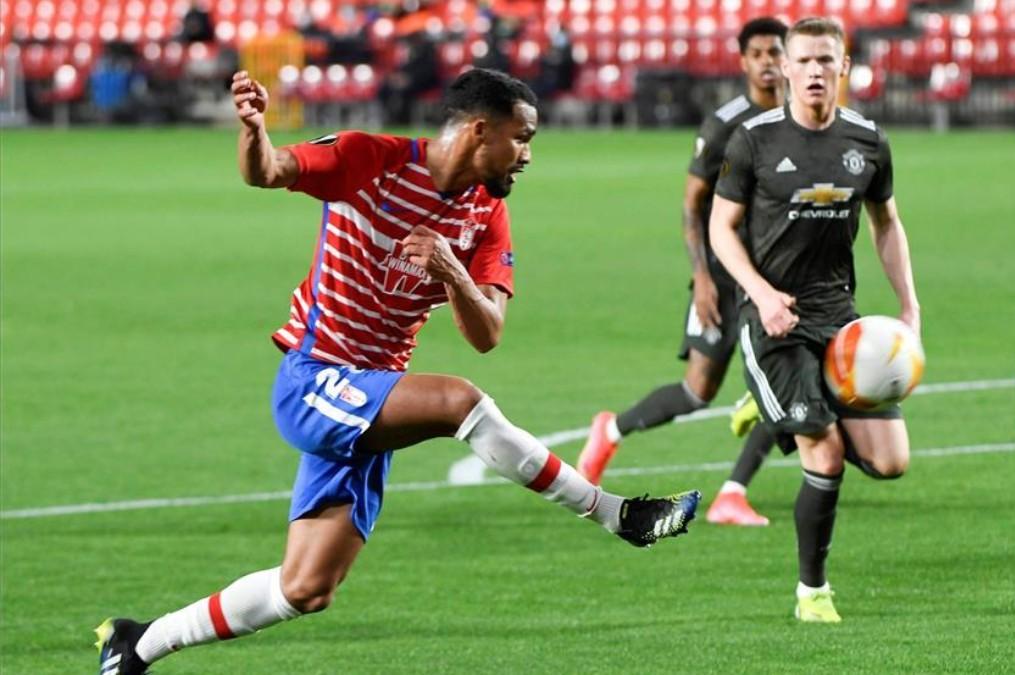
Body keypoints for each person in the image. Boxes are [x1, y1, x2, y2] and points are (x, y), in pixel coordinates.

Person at [94, 67, 700, 674]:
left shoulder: (486, 213)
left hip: (372, 398)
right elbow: (267, 171)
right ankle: (616, 514)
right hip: (316, 379)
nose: (527, 156)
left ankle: (138, 643)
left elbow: (487, 334)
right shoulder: (368, 159)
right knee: (459, 403)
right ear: (479, 130)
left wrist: (452, 273)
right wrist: (253, 129)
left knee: (306, 588)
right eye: (522, 138)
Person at [708, 17, 921, 623]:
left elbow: (887, 224)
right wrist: (761, 293)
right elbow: (721, 228)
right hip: (772, 320)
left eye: (826, 61)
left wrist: (909, 306)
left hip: (840, 318)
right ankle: (812, 594)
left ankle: (776, 410)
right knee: (823, 452)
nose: (813, 72)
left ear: (844, 67)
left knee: (889, 462)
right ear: (786, 70)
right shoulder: (753, 141)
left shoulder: (869, 142)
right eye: (802, 62)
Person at [576, 17, 788, 527]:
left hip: (776, 274)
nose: (767, 61)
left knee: (785, 380)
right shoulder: (724, 124)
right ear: (742, 61)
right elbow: (693, 205)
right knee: (697, 390)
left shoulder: (796, 122)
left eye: (774, 51)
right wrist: (704, 278)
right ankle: (610, 431)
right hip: (722, 270)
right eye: (756, 53)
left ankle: (732, 494)